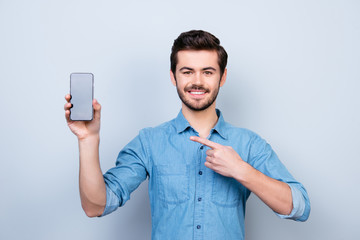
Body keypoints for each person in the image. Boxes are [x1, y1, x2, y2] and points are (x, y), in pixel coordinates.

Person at [64, 30, 310, 240]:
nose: (197, 81)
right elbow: (95, 205)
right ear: (173, 76)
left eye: (208, 72)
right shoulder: (149, 142)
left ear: (222, 77)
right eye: (187, 71)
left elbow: (299, 206)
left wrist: (242, 171)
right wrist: (88, 140)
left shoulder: (249, 144)